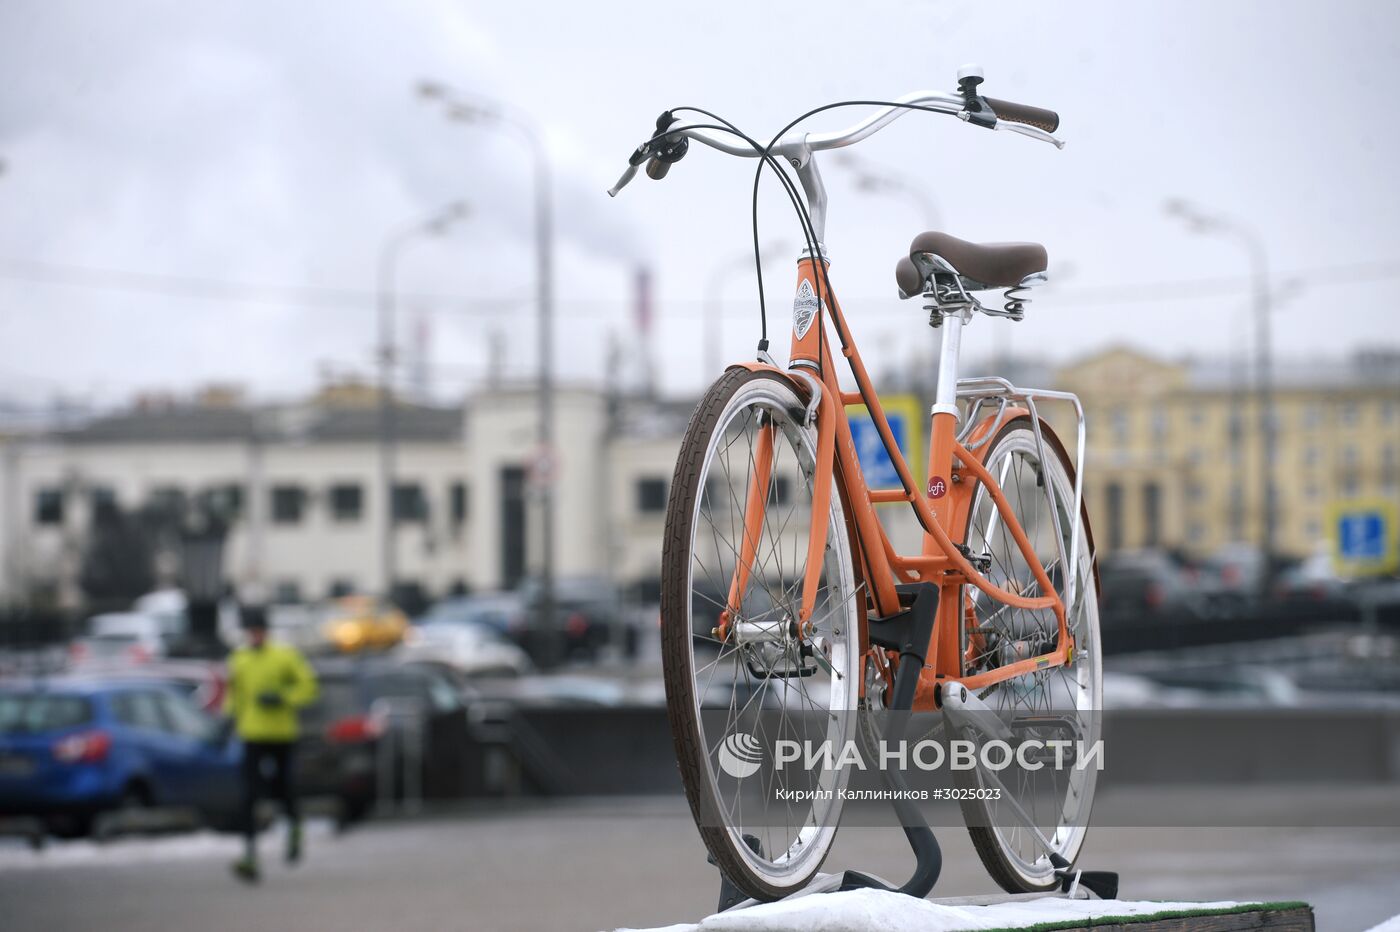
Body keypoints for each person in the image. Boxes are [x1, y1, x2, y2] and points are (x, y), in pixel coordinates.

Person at [224, 606, 318, 883]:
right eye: (250, 631)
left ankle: (294, 829)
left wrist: (283, 697)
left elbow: (309, 687)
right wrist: (228, 718)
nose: (255, 636)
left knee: (283, 789)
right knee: (249, 795)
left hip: (282, 733)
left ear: (266, 631)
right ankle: (250, 854)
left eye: (258, 631)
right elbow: (235, 695)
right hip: (252, 733)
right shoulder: (239, 659)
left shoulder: (284, 656)